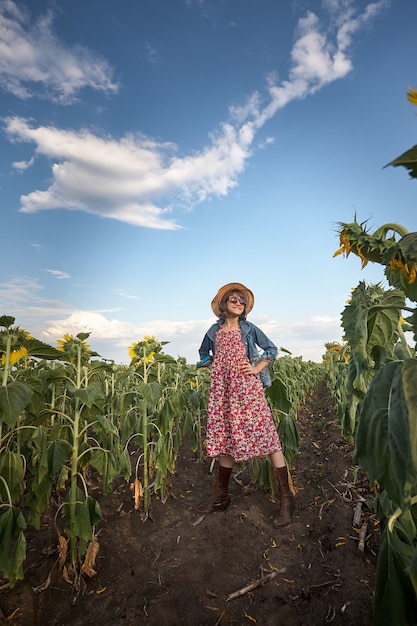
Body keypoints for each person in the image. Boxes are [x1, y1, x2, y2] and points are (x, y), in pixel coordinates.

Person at [196, 282, 294, 528]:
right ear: (223, 303)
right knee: (226, 437)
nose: (238, 302)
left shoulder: (249, 329)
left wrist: (257, 367)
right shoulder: (213, 331)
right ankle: (221, 497)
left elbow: (271, 349)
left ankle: (287, 500)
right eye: (233, 298)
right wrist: (214, 366)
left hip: (248, 388)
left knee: (268, 437)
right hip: (224, 391)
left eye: (242, 300)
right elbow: (203, 354)